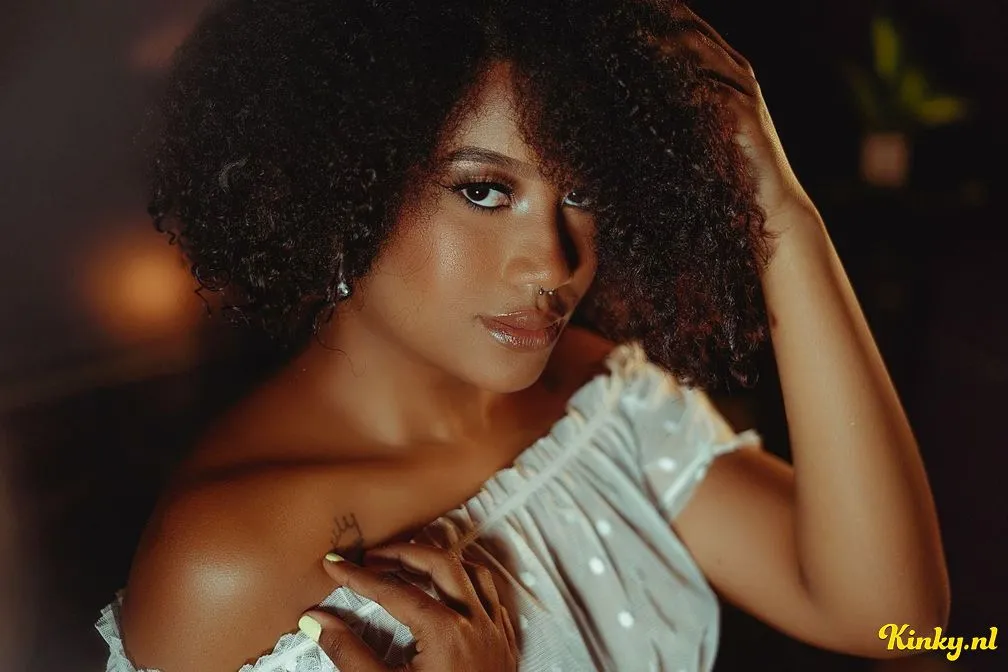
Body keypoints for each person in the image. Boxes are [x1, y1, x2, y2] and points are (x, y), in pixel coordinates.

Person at [96, 0, 950, 670]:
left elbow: (896, 623)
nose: (553, 261)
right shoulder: (227, 563)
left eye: (582, 192)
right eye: (483, 190)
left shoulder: (598, 403)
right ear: (342, 184)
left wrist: (780, 212)